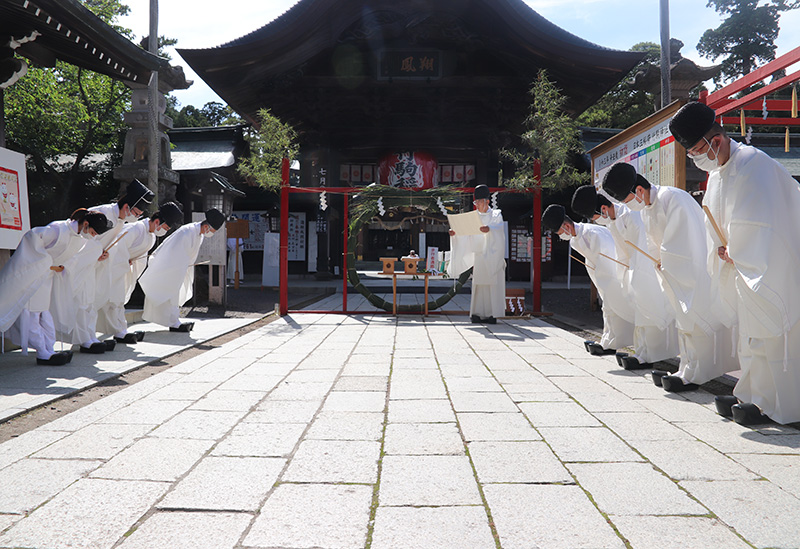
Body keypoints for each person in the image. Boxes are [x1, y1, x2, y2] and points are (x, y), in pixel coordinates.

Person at [670, 101, 800, 425]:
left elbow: (763, 226)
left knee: (772, 336)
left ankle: (779, 405)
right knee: (750, 334)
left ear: (715, 141)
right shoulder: (717, 174)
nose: (696, 159)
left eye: (696, 151)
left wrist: (736, 250)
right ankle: (753, 395)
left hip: (771, 267)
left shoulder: (754, 164)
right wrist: (724, 250)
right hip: (743, 266)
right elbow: (718, 223)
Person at [602, 162, 738, 392]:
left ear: (639, 191)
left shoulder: (673, 198)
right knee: (683, 322)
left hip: (692, 270)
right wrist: (659, 260)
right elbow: (653, 243)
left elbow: (685, 238)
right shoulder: (647, 208)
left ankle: (698, 371)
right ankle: (688, 367)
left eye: (626, 201)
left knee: (695, 319)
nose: (628, 206)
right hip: (672, 273)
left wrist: (665, 259)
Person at [572, 184, 679, 369]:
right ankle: (642, 351)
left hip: (646, 268)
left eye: (594, 216)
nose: (595, 221)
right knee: (641, 312)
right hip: (633, 268)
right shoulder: (614, 220)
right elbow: (622, 253)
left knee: (649, 311)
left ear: (603, 209)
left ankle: (649, 354)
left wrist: (636, 274)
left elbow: (643, 246)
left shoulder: (630, 215)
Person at [0, 209, 112, 364]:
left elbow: (70, 259)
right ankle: (42, 351)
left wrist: (63, 266)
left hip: (47, 276)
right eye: (93, 232)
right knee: (32, 312)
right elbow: (32, 237)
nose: (92, 236)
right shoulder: (58, 229)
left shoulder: (78, 238)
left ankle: (48, 348)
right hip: (33, 275)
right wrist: (44, 262)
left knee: (44, 312)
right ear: (85, 224)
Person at [542, 202, 634, 355]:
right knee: (608, 308)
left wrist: (604, 279)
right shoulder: (575, 239)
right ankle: (609, 341)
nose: (560, 236)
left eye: (559, 232)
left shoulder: (592, 233)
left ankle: (617, 342)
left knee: (616, 307)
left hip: (615, 275)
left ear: (566, 226)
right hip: (603, 277)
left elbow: (609, 258)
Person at [96, 202, 184, 344]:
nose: (165, 231)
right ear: (157, 221)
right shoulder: (135, 228)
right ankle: (118, 332)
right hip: (111, 267)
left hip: (123, 269)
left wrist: (131, 261)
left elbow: (138, 257)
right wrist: (125, 261)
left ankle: (119, 331)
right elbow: (117, 248)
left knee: (117, 301)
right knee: (113, 301)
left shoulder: (151, 237)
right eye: (166, 227)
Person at [139, 208, 226, 332]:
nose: (211, 233)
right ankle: (173, 322)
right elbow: (174, 252)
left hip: (180, 268)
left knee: (175, 295)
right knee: (171, 294)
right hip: (171, 268)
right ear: (207, 226)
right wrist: (182, 265)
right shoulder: (187, 232)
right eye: (212, 230)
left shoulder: (198, 233)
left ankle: (173, 320)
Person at [448, 185, 506, 324]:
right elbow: (467, 234)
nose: (477, 205)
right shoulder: (474, 217)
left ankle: (492, 314)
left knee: (492, 285)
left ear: (487, 201)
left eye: (479, 202)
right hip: (480, 255)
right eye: (476, 202)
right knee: (479, 285)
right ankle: (477, 313)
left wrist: (490, 229)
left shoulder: (496, 215)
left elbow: (499, 230)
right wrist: (455, 234)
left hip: (493, 256)